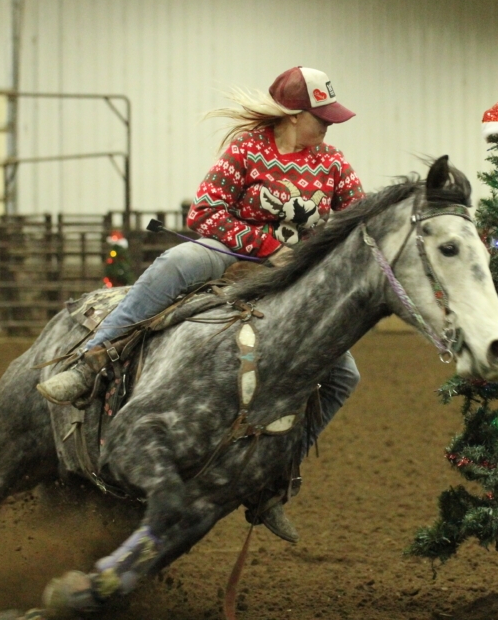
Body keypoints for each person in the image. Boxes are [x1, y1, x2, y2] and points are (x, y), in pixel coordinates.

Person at [37, 66, 365, 542]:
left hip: (294, 277)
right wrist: (267, 247)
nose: (330, 126)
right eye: (323, 117)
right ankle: (93, 360)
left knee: (343, 376)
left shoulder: (333, 163)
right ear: (294, 115)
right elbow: (206, 212)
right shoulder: (246, 151)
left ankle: (274, 477)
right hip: (234, 255)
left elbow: (356, 219)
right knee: (177, 262)